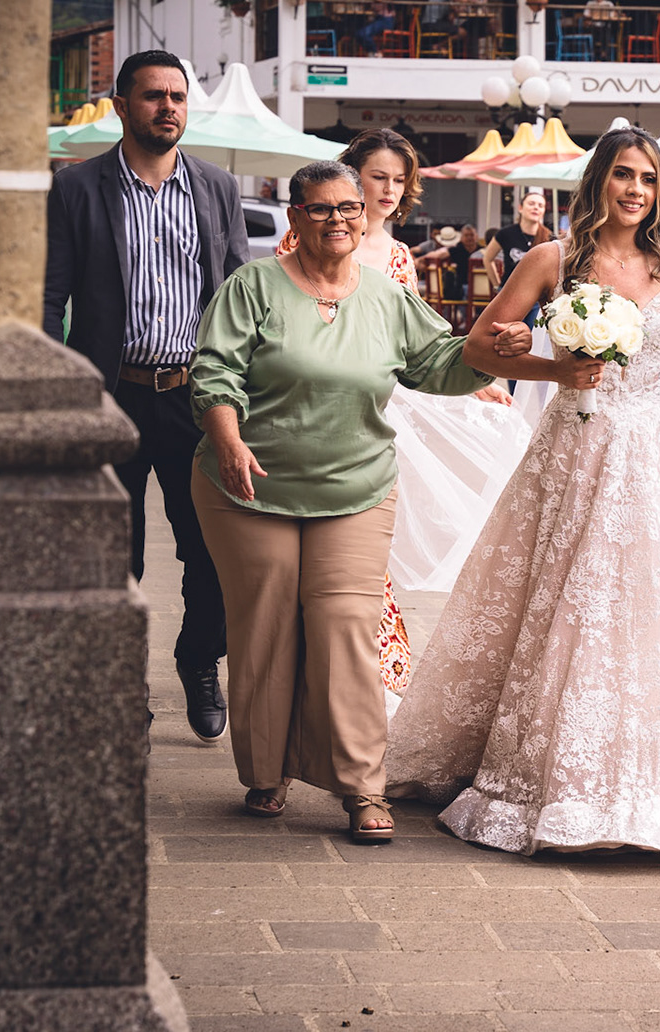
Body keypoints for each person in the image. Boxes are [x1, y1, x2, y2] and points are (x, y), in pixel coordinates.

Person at [385, 127, 660, 855]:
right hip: (578, 440)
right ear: (599, 180)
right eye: (624, 174)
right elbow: (478, 347)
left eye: (649, 179)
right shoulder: (553, 260)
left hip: (659, 448)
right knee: (567, 592)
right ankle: (544, 764)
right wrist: (553, 370)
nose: (636, 190)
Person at [189, 159, 504, 843]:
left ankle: (362, 785)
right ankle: (267, 772)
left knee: (347, 628)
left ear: (364, 217)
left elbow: (438, 364)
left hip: (355, 487)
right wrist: (228, 440)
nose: (338, 219)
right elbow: (214, 370)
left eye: (349, 208)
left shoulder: (387, 298)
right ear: (295, 218)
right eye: (322, 208)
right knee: (266, 626)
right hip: (250, 486)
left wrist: (492, 350)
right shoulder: (254, 286)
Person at [44, 48, 249, 745]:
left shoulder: (217, 187)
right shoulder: (77, 188)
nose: (168, 107)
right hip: (113, 396)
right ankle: (121, 676)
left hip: (197, 398)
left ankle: (199, 659)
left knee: (212, 546)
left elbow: (238, 296)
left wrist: (243, 393)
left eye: (178, 96)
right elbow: (50, 296)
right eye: (154, 95)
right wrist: (62, 393)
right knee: (114, 550)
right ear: (122, 105)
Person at [485, 189, 551, 291]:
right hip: (509, 291)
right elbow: (487, 259)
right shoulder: (505, 233)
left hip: (537, 294)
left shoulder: (549, 237)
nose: (536, 207)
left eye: (540, 205)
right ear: (520, 208)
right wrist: (497, 286)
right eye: (531, 204)